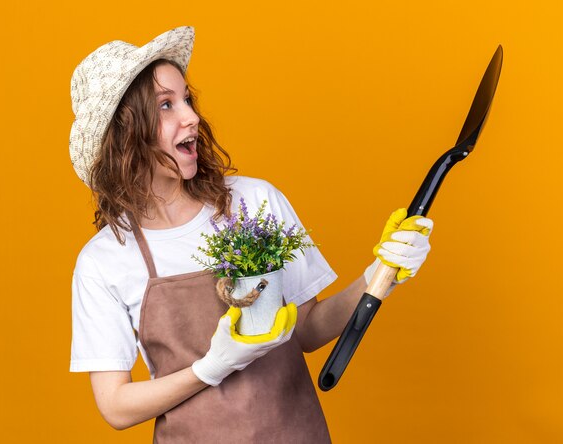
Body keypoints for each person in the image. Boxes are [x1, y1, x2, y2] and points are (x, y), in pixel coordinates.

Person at [69, 26, 434, 443]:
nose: (191, 116)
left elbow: (309, 330)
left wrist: (378, 274)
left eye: (186, 99)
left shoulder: (254, 203)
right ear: (125, 136)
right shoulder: (105, 260)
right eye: (165, 106)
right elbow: (115, 406)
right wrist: (211, 367)